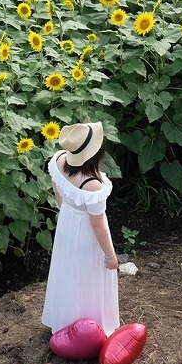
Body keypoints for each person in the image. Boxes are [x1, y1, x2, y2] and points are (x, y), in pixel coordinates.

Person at [41, 120, 120, 337]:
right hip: (86, 232)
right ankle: (88, 330)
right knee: (88, 276)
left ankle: (64, 320)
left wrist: (67, 212)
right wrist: (110, 256)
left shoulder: (58, 160)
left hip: (67, 221)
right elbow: (97, 224)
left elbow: (57, 190)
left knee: (68, 272)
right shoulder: (92, 185)